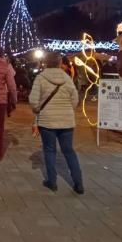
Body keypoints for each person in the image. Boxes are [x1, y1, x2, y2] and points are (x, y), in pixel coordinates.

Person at [28, 52, 83, 193]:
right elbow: (75, 100)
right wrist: (66, 110)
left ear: (45, 63)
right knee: (69, 151)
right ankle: (79, 184)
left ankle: (52, 182)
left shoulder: (40, 78)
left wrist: (38, 109)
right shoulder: (67, 78)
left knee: (49, 150)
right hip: (67, 121)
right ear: (59, 63)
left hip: (47, 121)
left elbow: (33, 101)